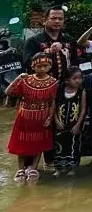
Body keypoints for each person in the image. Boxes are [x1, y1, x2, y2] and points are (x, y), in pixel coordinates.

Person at [6, 50, 58, 181]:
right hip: (24, 118)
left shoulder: (53, 82)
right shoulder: (26, 80)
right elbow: (8, 92)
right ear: (33, 67)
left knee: (39, 143)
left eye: (45, 66)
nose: (42, 69)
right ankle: (20, 169)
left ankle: (34, 168)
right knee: (21, 143)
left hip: (42, 118)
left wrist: (50, 118)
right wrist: (18, 78)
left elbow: (53, 102)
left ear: (50, 66)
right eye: (39, 66)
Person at [23, 5, 80, 81]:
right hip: (42, 84)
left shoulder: (70, 40)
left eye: (60, 19)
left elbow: (75, 64)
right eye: (53, 18)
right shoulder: (33, 41)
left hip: (65, 84)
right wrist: (49, 52)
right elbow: (27, 64)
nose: (57, 21)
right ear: (44, 21)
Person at [52, 68, 86, 176]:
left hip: (74, 125)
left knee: (73, 146)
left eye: (80, 78)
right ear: (67, 80)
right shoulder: (60, 91)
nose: (78, 81)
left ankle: (72, 168)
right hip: (60, 124)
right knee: (58, 146)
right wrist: (56, 121)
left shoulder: (81, 92)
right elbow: (54, 107)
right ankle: (58, 168)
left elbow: (83, 110)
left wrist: (78, 125)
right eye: (74, 78)